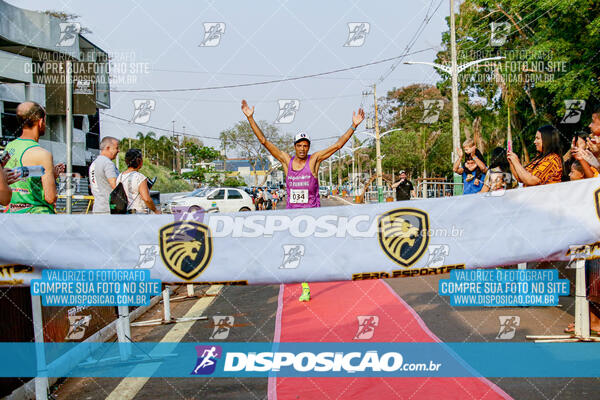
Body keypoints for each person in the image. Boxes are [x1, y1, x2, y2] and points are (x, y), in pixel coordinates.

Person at [242, 99, 364, 301]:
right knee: (298, 253)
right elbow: (264, 141)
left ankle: (328, 269)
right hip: (294, 217)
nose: (302, 148)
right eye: (299, 145)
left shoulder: (314, 160)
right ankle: (306, 287)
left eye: (305, 145)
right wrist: (250, 118)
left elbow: (338, 145)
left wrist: (353, 125)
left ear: (308, 147)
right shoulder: (285, 161)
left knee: (316, 252)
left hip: (314, 216)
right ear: (295, 146)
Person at [4, 101, 65, 214]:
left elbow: (21, 178)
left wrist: (51, 175)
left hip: (13, 215)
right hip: (37, 216)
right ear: (40, 121)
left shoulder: (9, 147)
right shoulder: (43, 155)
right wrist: (53, 179)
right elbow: (50, 197)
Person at [116, 149, 160, 214]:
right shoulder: (140, 177)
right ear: (139, 161)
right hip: (139, 214)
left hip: (125, 213)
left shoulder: (120, 176)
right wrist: (156, 211)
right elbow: (146, 199)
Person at [89, 136, 120, 214]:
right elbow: (115, 186)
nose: (118, 151)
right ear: (108, 148)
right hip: (108, 210)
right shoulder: (107, 163)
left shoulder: (94, 163)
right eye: (116, 148)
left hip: (97, 208)